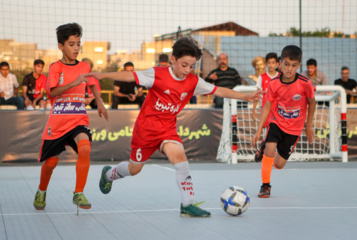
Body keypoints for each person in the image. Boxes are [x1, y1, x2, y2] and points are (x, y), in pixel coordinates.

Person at [85, 37, 262, 217]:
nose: (187, 70)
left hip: (167, 130)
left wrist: (246, 97)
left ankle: (187, 204)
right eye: (184, 65)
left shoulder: (193, 81)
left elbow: (218, 90)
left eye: (191, 66)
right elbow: (131, 75)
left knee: (181, 160)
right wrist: (102, 75)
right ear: (173, 60)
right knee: (134, 169)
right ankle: (109, 174)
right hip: (145, 130)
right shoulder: (157, 74)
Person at [33, 23, 108, 211]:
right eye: (72, 44)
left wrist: (99, 102)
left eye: (78, 44)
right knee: (51, 162)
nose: (76, 48)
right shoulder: (55, 67)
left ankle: (78, 193)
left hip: (78, 119)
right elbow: (54, 91)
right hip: (58, 122)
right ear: (61, 46)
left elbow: (91, 84)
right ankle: (41, 191)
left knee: (85, 148)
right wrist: (75, 82)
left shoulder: (84, 66)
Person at [251, 45, 315, 198]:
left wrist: (309, 125)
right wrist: (259, 129)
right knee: (269, 152)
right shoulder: (274, 83)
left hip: (295, 128)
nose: (289, 69)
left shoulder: (305, 83)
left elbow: (312, 103)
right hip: (276, 122)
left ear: (299, 65)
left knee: (279, 165)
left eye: (293, 66)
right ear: (280, 63)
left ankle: (265, 148)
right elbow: (267, 106)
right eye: (286, 64)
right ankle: (265, 186)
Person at [252, 52, 280, 162]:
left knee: (276, 135)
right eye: (269, 63)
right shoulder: (262, 77)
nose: (271, 65)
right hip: (266, 111)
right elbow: (257, 94)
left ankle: (264, 149)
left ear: (277, 63)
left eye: (273, 62)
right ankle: (267, 154)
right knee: (268, 134)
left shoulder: (280, 77)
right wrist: (254, 110)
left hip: (278, 112)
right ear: (266, 64)